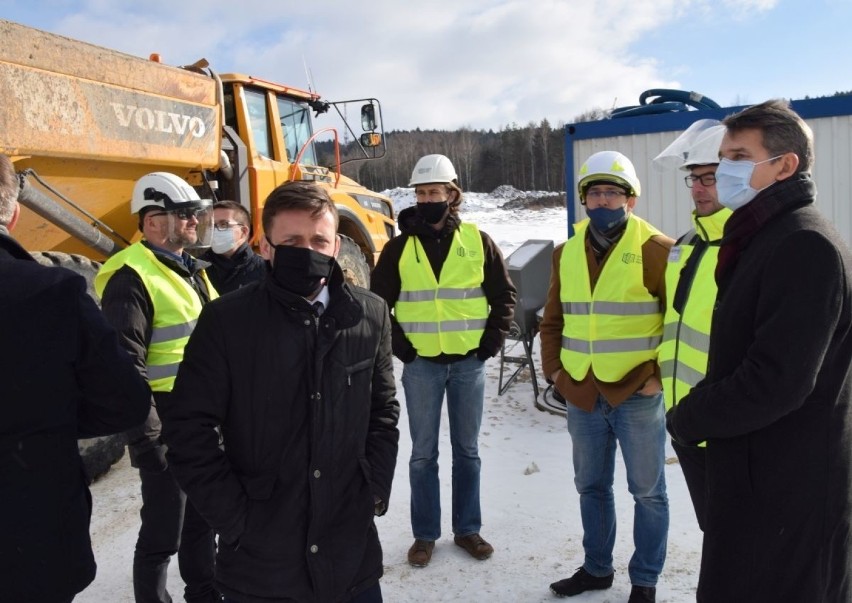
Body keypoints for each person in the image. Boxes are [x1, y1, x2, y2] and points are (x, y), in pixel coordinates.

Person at [161, 181, 400, 603]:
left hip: (350, 556)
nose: (307, 251)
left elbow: (382, 411)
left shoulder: (369, 314)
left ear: (336, 244)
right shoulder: (227, 322)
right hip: (260, 564)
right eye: (292, 241)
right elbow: (188, 429)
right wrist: (234, 519)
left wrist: (374, 490)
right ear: (266, 245)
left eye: (318, 240)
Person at [666, 99, 852, 602]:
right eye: (722, 156)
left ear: (784, 166)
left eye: (737, 156)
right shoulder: (763, 235)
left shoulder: (803, 243)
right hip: (758, 479)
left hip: (786, 492)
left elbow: (776, 381)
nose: (722, 168)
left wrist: (690, 417)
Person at [0, 153, 150, 602]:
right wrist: (50, 420)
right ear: (15, 211)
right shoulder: (51, 293)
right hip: (27, 545)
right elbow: (124, 401)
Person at [370, 154, 517, 568]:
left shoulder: (478, 240)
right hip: (421, 367)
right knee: (422, 455)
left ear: (452, 195)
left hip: (469, 363)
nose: (427, 199)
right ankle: (425, 535)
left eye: (434, 191)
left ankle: (467, 529)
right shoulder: (399, 247)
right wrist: (404, 350)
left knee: (467, 451)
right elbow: (379, 306)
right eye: (420, 193)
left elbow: (504, 296)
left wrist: (488, 346)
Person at [539, 151, 673, 603]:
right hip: (582, 391)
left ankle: (645, 580)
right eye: (594, 192)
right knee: (591, 486)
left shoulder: (656, 249)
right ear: (583, 199)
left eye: (612, 192)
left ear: (630, 199)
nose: (602, 200)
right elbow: (552, 319)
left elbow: (677, 321)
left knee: (647, 491)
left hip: (636, 391)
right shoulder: (566, 252)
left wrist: (658, 376)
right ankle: (597, 569)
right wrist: (555, 371)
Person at [95, 172, 220, 603]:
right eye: (184, 215)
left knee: (203, 518)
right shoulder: (131, 277)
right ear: (152, 222)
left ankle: (205, 593)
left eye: (193, 216)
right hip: (163, 420)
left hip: (200, 418)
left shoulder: (190, 269)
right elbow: (125, 367)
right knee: (165, 528)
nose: (193, 223)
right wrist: (148, 440)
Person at [653, 121, 731, 530]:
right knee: (713, 530)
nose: (700, 188)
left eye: (712, 177)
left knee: (741, 540)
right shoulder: (683, 246)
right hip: (683, 421)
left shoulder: (752, 249)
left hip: (730, 430)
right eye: (694, 178)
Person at [201, 200, 266, 294]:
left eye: (223, 224)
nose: (214, 230)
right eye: (211, 225)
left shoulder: (266, 270)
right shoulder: (198, 269)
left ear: (244, 231)